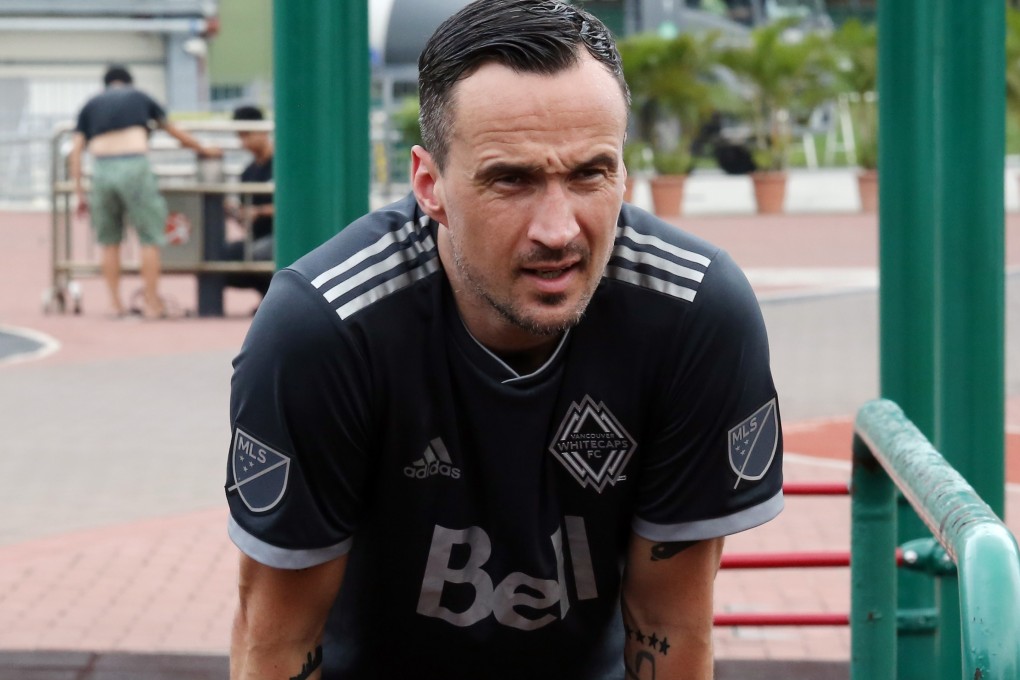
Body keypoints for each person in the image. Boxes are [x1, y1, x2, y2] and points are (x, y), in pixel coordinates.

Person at [225, 2, 783, 678]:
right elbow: (277, 642)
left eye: (590, 173)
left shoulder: (694, 313)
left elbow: (669, 625)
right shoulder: (324, 331)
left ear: (623, 173)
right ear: (429, 185)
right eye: (511, 179)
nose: (558, 229)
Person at [69, 64, 220, 319]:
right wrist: (202, 149)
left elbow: (75, 152)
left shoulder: (91, 104)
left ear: (106, 84)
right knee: (149, 237)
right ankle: (152, 304)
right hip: (134, 165)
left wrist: (79, 193)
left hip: (101, 169)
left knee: (109, 241)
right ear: (129, 81)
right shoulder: (139, 97)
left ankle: (114, 304)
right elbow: (174, 131)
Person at [223, 105, 274, 299]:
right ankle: (267, 297)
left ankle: (273, 298)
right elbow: (245, 221)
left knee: (257, 253)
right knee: (219, 256)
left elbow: (294, 207)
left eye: (247, 135)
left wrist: (259, 211)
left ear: (263, 130)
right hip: (258, 236)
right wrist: (235, 212)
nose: (243, 142)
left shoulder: (283, 164)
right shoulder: (248, 172)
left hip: (281, 235)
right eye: (240, 136)